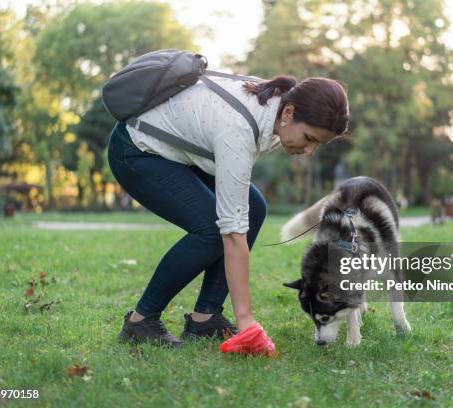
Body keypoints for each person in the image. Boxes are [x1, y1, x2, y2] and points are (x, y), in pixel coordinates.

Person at [109, 73, 350, 352]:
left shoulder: (274, 107)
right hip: (136, 150)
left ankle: (205, 318)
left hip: (177, 151)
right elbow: (233, 234)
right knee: (212, 230)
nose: (310, 150)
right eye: (309, 138)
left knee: (254, 207)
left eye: (318, 144)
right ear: (288, 112)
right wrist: (246, 320)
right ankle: (140, 322)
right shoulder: (239, 129)